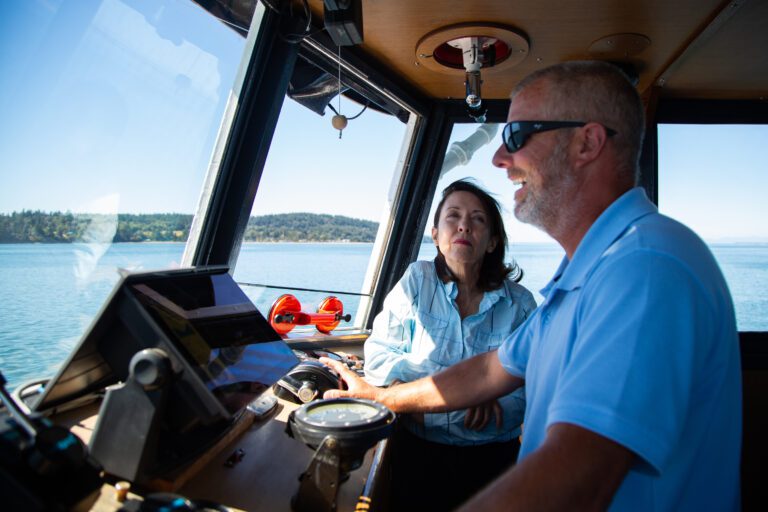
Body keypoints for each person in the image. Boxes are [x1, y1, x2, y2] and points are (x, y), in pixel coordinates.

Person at [322, 60, 742, 511]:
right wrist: (380, 396)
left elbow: (577, 480)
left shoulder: (644, 269)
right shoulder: (586, 274)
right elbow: (488, 372)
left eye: (518, 137)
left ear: (587, 143)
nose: (500, 159)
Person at [363, 179, 537, 510]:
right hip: (416, 451)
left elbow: (536, 386)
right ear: (436, 235)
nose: (463, 226)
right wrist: (473, 388)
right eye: (453, 216)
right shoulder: (417, 280)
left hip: (493, 460)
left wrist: (491, 390)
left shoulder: (521, 305)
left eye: (477, 219)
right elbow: (378, 355)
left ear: (491, 242)